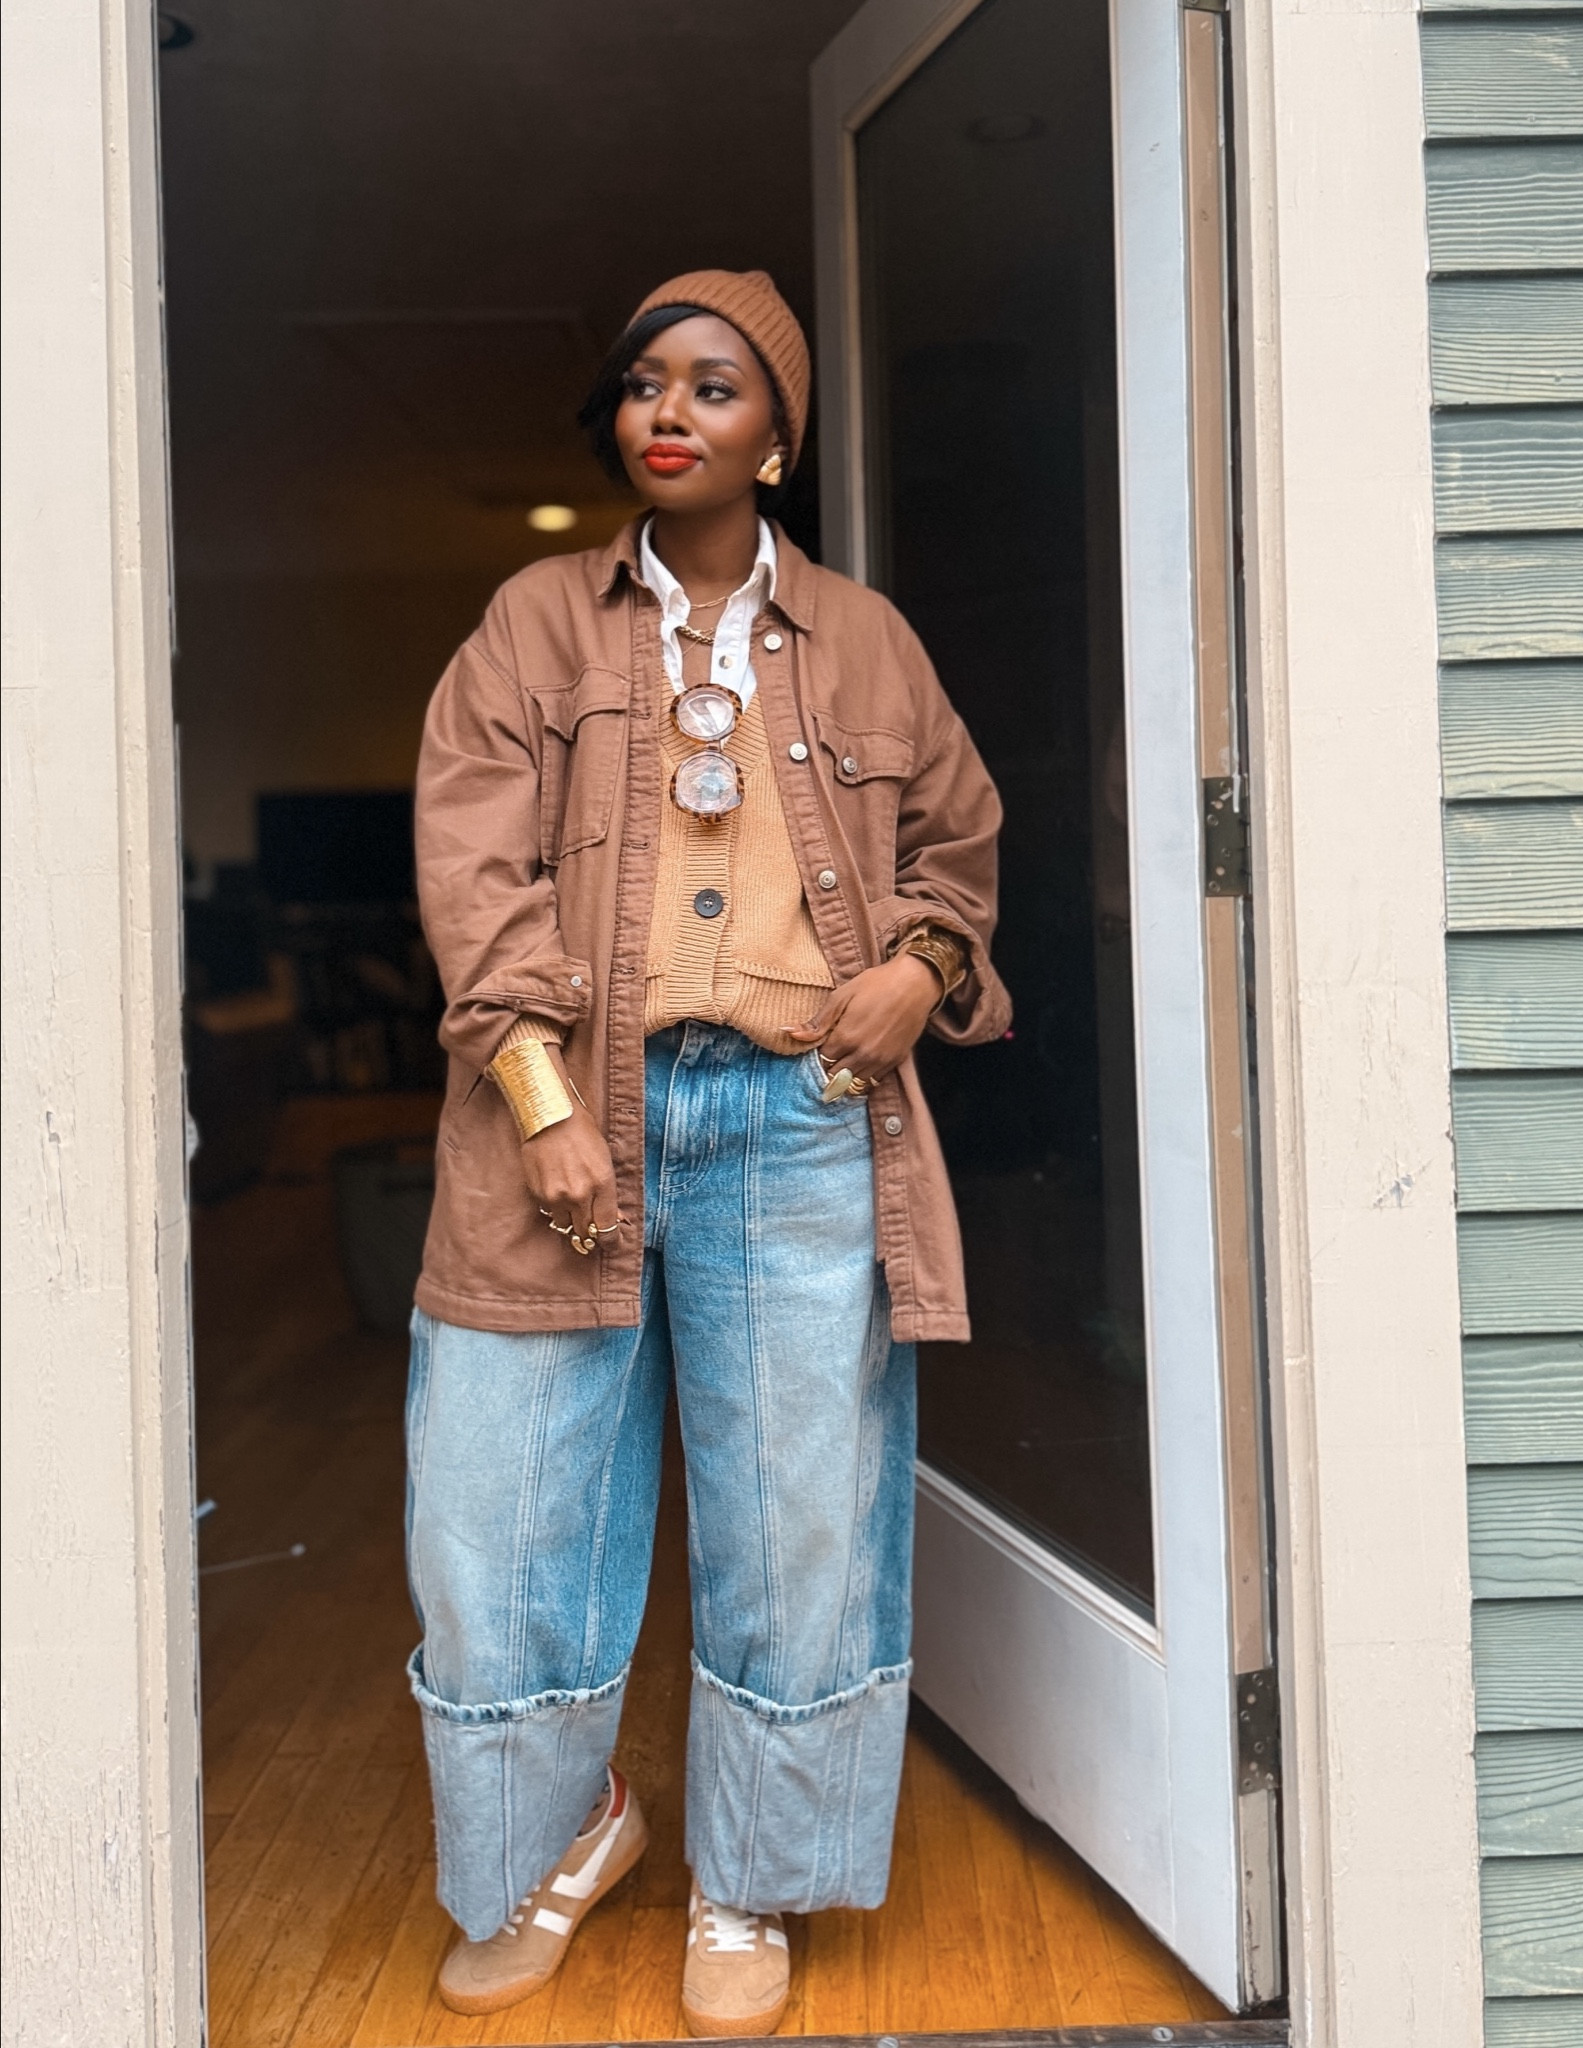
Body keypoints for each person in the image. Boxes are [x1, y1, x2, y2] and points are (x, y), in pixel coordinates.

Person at [408, 268, 1008, 2030]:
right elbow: (473, 876)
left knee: (796, 1514)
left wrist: (917, 968)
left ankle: (747, 1881)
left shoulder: (869, 641)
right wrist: (541, 1106)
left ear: (778, 431)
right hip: (560, 1123)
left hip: (798, 1121)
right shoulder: (531, 622)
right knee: (502, 1511)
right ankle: (561, 1832)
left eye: (715, 386)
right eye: (643, 384)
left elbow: (959, 851)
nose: (669, 410)